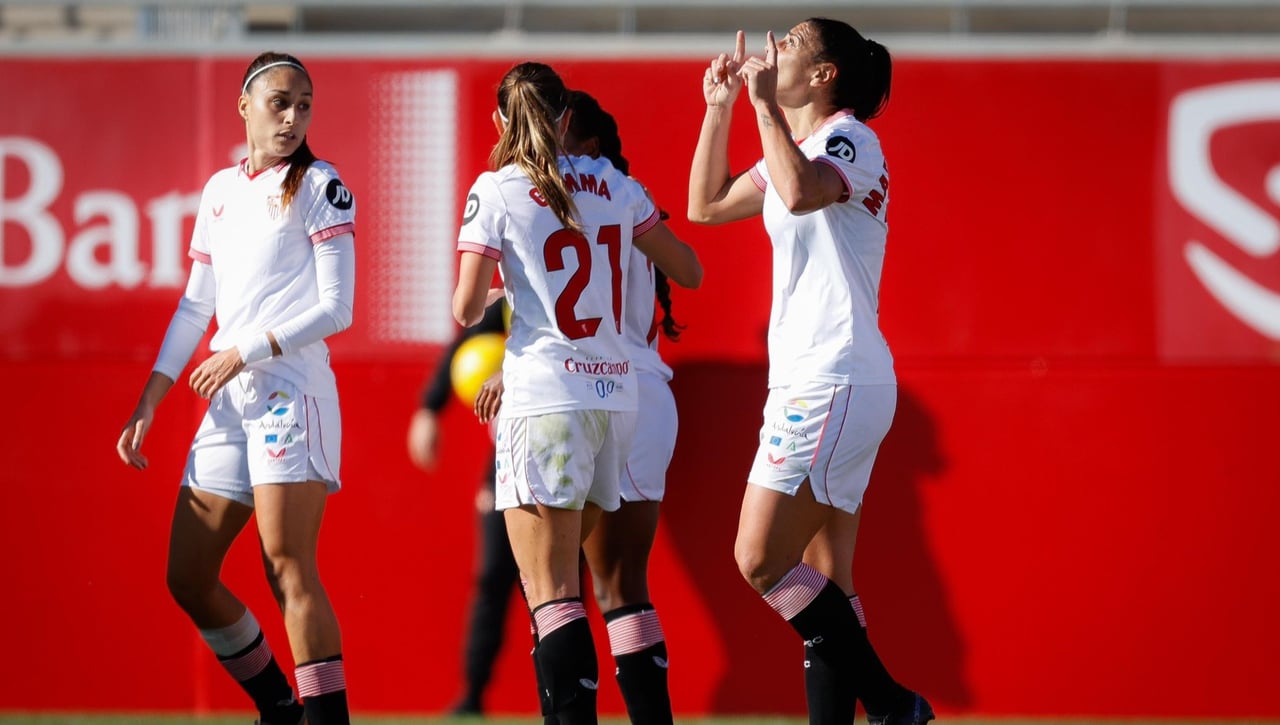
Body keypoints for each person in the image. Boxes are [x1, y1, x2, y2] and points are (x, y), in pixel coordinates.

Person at [687, 20, 933, 725]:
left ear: (824, 75)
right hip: (825, 379)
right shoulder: (796, 145)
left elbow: (798, 194)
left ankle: (892, 705)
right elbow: (704, 206)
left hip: (831, 377)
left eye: (791, 41)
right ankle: (878, 712)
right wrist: (721, 106)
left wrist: (763, 106)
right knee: (828, 581)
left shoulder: (848, 137)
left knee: (759, 557)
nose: (774, 46)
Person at [452, 62, 702, 725]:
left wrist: (513, 278)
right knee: (621, 586)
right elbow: (690, 268)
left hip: (548, 393)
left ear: (500, 122)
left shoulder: (498, 189)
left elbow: (464, 305)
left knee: (553, 593)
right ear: (567, 119)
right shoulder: (616, 183)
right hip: (628, 393)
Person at [116, 51, 354, 725]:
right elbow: (196, 306)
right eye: (280, 102)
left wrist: (242, 349)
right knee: (187, 576)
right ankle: (280, 707)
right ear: (244, 105)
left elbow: (338, 308)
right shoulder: (220, 189)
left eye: (304, 104)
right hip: (229, 402)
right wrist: (150, 400)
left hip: (289, 390)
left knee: (287, 566)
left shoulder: (320, 184)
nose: (293, 116)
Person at [406, 301, 521, 717]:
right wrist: (430, 407)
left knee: (564, 584)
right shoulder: (516, 285)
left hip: (581, 439)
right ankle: (472, 696)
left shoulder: (611, 258)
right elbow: (469, 330)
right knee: (493, 574)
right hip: (511, 450)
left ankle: (567, 697)